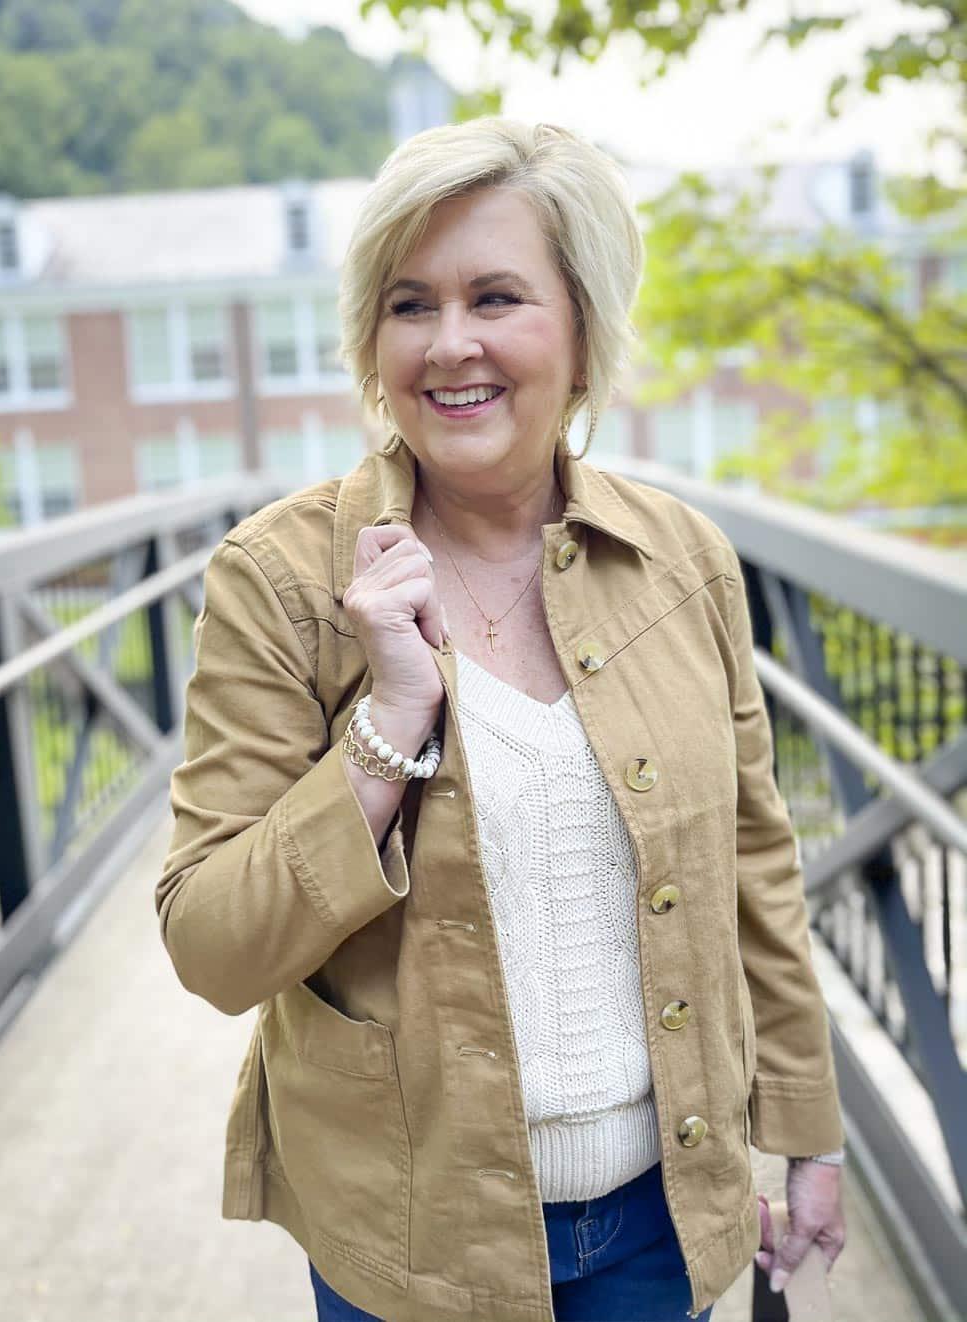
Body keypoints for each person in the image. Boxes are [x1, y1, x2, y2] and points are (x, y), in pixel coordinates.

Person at [155, 118, 847, 1322]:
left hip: (658, 1213)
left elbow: (755, 867)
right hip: (410, 1233)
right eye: (411, 302)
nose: (451, 343)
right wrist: (386, 726)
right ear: (373, 342)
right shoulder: (278, 578)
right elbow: (210, 944)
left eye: (498, 295)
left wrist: (809, 1132)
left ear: (583, 333)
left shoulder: (686, 562)